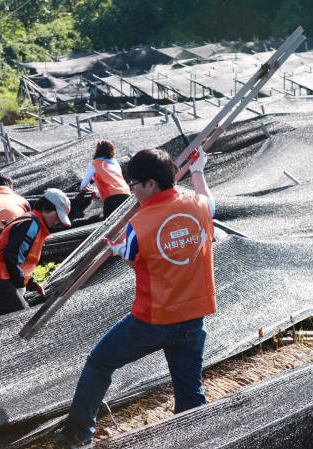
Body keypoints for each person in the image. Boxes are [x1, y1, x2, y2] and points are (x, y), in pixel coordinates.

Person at [54, 147, 215, 448]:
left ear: (151, 184)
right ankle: (198, 440)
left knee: (99, 363)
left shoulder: (139, 224)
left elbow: (133, 259)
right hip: (193, 317)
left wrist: (117, 249)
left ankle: (77, 435)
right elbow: (209, 202)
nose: (132, 191)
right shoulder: (200, 205)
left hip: (153, 319)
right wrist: (198, 170)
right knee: (190, 394)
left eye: (135, 184)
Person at [0, 188, 71, 312]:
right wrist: (20, 285)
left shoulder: (32, 222)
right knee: (23, 317)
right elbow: (12, 254)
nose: (57, 221)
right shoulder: (31, 223)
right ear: (45, 208)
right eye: (57, 215)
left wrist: (29, 282)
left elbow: (18, 259)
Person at [79, 140, 131, 219]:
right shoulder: (115, 162)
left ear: (97, 150)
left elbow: (83, 186)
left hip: (112, 199)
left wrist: (86, 190)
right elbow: (112, 183)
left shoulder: (95, 164)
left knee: (111, 227)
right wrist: (97, 193)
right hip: (127, 194)